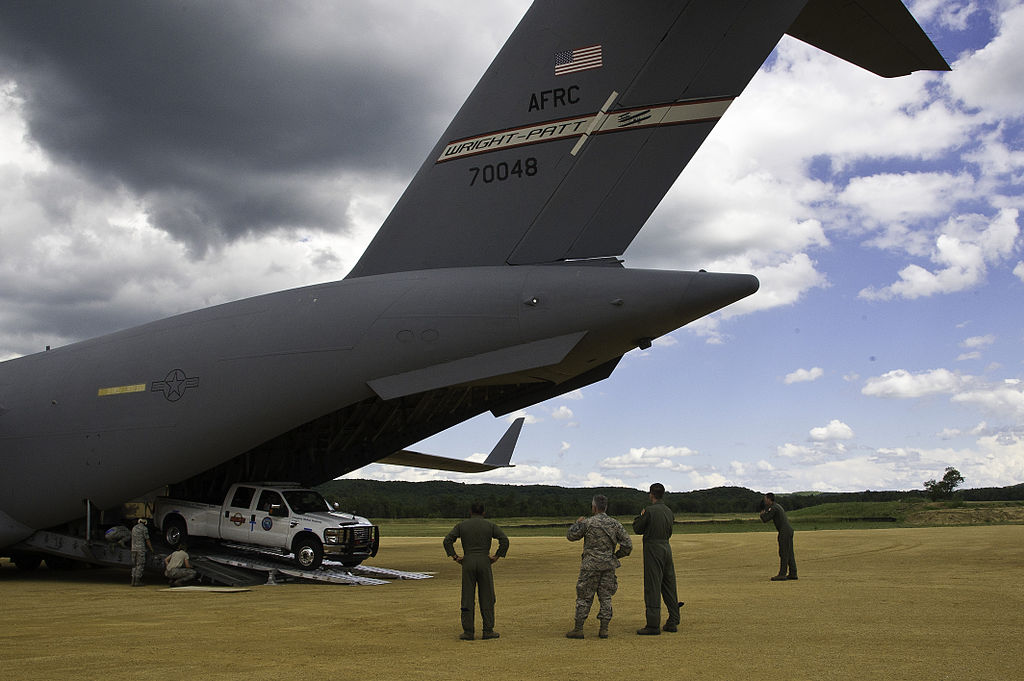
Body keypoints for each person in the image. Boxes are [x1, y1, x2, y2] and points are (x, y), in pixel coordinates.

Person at [565, 494, 632, 640]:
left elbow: (571, 536)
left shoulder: (588, 523)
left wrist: (577, 523)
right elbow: (628, 545)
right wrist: (615, 556)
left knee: (584, 597)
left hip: (590, 566)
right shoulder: (614, 524)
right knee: (606, 597)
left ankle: (578, 629)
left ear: (594, 507)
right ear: (606, 507)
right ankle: (604, 629)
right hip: (607, 566)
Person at [443, 502, 510, 641]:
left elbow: (447, 540)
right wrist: (497, 556)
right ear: (483, 513)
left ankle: (468, 631)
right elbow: (504, 540)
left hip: (467, 562)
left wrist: (455, 556)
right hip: (485, 562)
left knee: (467, 596)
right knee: (487, 596)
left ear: (470, 512)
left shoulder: (461, 525)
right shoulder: (490, 525)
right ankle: (488, 630)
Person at [632, 482, 681, 635]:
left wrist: (640, 516)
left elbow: (637, 529)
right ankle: (673, 620)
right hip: (666, 547)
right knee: (669, 585)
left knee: (653, 586)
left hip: (653, 548)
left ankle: (653, 625)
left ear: (651, 494)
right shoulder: (668, 511)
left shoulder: (649, 511)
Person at [760, 492, 797, 581]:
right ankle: (793, 573)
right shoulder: (777, 506)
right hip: (788, 531)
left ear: (769, 499)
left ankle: (782, 574)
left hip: (784, 532)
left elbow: (765, 519)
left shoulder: (774, 508)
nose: (765, 501)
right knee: (789, 553)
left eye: (765, 499)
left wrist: (762, 514)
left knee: (783, 553)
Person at [129, 518, 154, 587]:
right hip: (140, 549)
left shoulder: (134, 528)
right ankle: (137, 581)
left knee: (134, 565)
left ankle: (133, 580)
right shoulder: (144, 529)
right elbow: (147, 540)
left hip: (133, 549)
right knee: (140, 564)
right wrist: (151, 549)